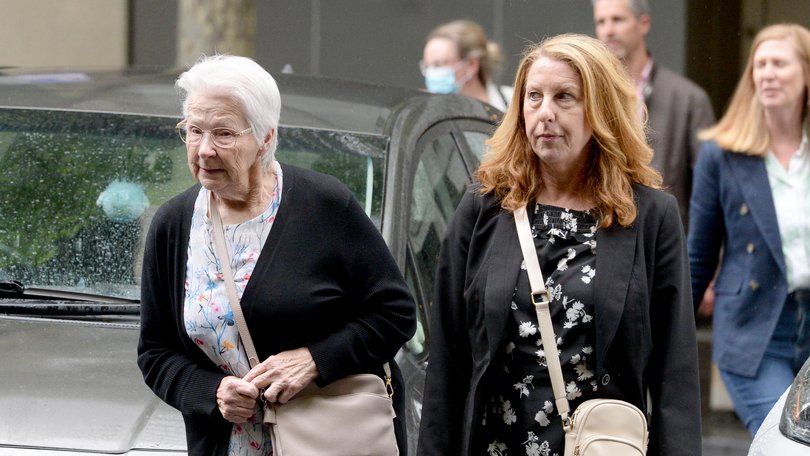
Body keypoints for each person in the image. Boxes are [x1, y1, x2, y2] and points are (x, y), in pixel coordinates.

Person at [417, 33, 701, 456]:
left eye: (564, 97)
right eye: (534, 96)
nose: (544, 113)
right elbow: (447, 359)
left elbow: (674, 374)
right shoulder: (484, 208)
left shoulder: (650, 216)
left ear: (600, 109)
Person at [136, 55, 416, 455]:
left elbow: (395, 314)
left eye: (224, 134)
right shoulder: (173, 224)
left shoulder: (324, 206)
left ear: (266, 137)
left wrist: (314, 360)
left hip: (330, 440)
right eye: (194, 131)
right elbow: (156, 352)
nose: (205, 150)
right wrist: (211, 391)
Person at [689, 23, 810, 436]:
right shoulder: (721, 154)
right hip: (755, 329)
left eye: (780, 63)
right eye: (760, 65)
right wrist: (671, 339)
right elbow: (698, 256)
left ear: (806, 72)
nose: (768, 74)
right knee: (783, 442)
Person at [592, 0, 715, 229]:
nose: (608, 30)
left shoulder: (689, 99)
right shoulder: (590, 95)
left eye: (617, 19)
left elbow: (709, 187)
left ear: (644, 23)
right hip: (606, 230)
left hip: (666, 232)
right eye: (601, 22)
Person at [420, 19, 514, 111]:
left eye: (438, 64)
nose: (430, 72)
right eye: (427, 66)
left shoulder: (514, 101)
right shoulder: (424, 110)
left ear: (471, 65)